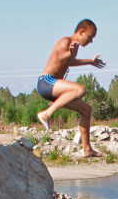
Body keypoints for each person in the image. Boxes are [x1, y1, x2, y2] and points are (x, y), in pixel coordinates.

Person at [36, 19, 105, 158]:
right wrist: (69, 53)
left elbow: (71, 62)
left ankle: (87, 150)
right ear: (81, 32)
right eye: (90, 37)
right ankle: (46, 114)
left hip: (56, 88)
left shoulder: (74, 46)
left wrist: (90, 61)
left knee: (86, 110)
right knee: (80, 90)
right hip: (47, 82)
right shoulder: (65, 41)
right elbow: (62, 56)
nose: (91, 41)